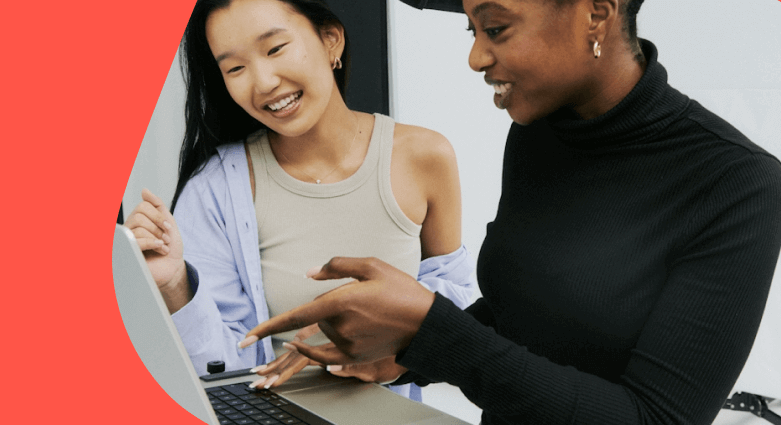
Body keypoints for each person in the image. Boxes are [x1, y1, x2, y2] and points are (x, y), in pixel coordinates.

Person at [240, 0, 781, 423]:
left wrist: (432, 332)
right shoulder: (538, 132)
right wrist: (405, 351)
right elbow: (527, 311)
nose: (475, 56)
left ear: (595, 15)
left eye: (495, 29)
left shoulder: (737, 183)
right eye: (471, 31)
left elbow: (655, 417)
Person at [123, 0, 476, 401]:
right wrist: (175, 285)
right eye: (235, 68)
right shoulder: (215, 188)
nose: (264, 82)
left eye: (275, 49)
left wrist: (393, 346)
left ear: (331, 41)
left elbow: (461, 314)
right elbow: (219, 374)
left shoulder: (425, 156)